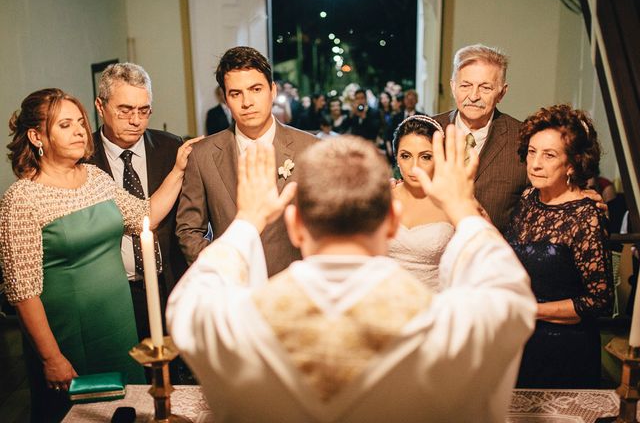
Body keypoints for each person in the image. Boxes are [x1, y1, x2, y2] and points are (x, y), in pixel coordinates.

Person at [167, 129, 537, 423]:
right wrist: (461, 206)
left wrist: (248, 219)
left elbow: (193, 292)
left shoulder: (228, 326)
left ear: (295, 226)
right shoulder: (455, 329)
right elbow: (508, 288)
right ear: (392, 222)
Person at [0, 88, 197, 422]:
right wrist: (51, 358)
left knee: (127, 407)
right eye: (65, 125)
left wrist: (178, 170)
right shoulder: (21, 199)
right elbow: (23, 292)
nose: (79, 131)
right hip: (67, 335)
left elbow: (143, 215)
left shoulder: (95, 178)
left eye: (80, 122)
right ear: (36, 136)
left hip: (117, 324)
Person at [176, 46, 317, 275]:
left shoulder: (310, 148)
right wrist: (221, 269)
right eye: (236, 93)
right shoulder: (202, 156)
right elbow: (189, 230)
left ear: (272, 91)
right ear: (225, 99)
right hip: (232, 289)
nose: (247, 102)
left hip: (295, 286)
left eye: (256, 89)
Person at [505, 104, 613, 389]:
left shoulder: (586, 216)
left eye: (549, 154)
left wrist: (531, 310)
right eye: (531, 151)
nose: (535, 163)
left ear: (572, 163)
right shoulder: (529, 198)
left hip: (565, 353)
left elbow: (599, 302)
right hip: (518, 345)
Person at [90, 63, 192, 359]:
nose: (135, 120)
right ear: (100, 106)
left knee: (171, 373)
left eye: (144, 110)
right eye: (124, 109)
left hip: (167, 283)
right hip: (112, 291)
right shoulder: (83, 157)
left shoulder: (170, 147)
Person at [434, 44, 528, 234]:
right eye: (466, 85)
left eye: (485, 87)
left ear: (502, 92)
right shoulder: (428, 130)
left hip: (492, 255)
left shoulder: (523, 138)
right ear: (453, 87)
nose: (474, 96)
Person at [388, 115, 454, 290]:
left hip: (435, 304)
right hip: (384, 303)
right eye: (406, 156)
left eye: (425, 157)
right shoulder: (383, 198)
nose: (414, 167)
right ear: (396, 157)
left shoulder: (453, 202)